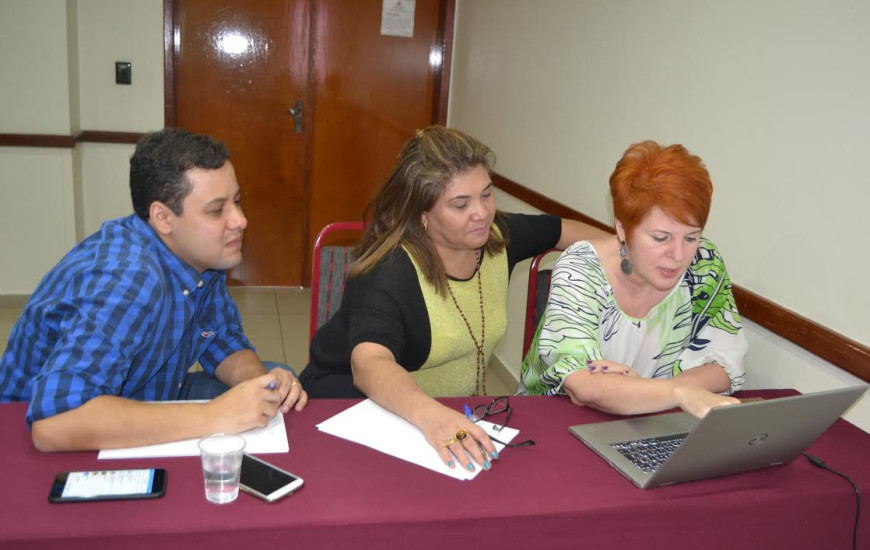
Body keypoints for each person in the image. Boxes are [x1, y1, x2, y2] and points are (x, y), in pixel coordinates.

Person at [300, 125, 606, 472]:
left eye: (487, 195)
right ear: (423, 214)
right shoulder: (390, 269)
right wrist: (432, 416)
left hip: (442, 413)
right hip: (355, 406)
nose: (482, 213)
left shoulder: (497, 237)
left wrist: (629, 256)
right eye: (461, 204)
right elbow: (369, 363)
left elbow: (562, 230)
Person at [0, 128, 307, 452]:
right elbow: (54, 423)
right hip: (48, 428)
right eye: (217, 210)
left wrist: (258, 386)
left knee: (277, 381)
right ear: (162, 217)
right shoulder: (128, 279)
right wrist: (216, 415)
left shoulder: (202, 254)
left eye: (237, 201)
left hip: (144, 389)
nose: (240, 220)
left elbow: (220, 338)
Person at [521, 140, 747, 419]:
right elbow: (584, 386)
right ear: (622, 229)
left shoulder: (704, 264)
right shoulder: (582, 268)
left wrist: (641, 390)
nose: (678, 255)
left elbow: (725, 367)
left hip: (654, 421)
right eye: (661, 238)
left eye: (691, 237)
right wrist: (680, 393)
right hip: (559, 422)